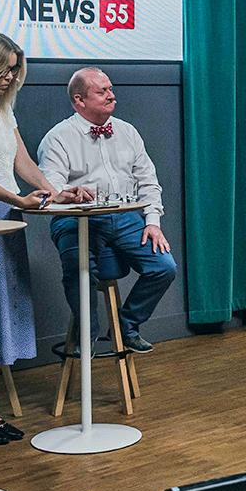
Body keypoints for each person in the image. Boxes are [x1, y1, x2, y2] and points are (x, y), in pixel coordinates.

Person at [0, 32, 85, 445]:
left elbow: (22, 161)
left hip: (9, 217)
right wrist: (18, 200)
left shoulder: (4, 111)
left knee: (2, 312)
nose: (10, 77)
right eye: (4, 69)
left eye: (14, 70)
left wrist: (54, 191)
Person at [38, 67, 176, 353]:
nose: (112, 95)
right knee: (79, 270)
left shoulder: (127, 132)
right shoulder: (58, 137)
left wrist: (152, 222)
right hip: (75, 219)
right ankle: (86, 336)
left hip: (125, 217)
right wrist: (68, 194)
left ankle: (126, 326)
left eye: (111, 89)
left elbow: (148, 181)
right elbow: (50, 187)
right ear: (79, 100)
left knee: (164, 267)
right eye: (102, 92)